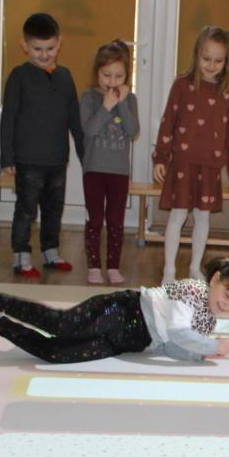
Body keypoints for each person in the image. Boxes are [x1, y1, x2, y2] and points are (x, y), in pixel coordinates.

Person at [0, 257, 229, 364]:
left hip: (128, 342)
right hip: (122, 311)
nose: (227, 305)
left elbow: (172, 346)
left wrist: (200, 355)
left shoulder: (207, 321)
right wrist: (212, 346)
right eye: (227, 295)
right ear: (214, 280)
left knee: (56, 353)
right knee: (60, 323)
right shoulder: (193, 290)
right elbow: (176, 330)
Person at [152, 26, 229, 285]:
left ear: (227, 61)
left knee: (203, 217)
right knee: (177, 215)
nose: (211, 66)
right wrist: (160, 158)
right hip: (182, 163)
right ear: (197, 55)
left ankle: (195, 267)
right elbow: (168, 122)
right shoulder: (182, 85)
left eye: (218, 60)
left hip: (210, 166)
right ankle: (169, 270)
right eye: (206, 59)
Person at [0, 12, 85, 278]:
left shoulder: (65, 77)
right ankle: (21, 255)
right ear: (24, 45)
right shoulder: (18, 77)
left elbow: (74, 119)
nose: (44, 54)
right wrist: (7, 157)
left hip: (57, 159)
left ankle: (51, 251)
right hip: (27, 160)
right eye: (37, 49)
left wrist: (85, 155)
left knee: (54, 209)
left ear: (59, 43)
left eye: (50, 48)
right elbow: (8, 119)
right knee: (26, 209)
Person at [80, 39, 139, 286]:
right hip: (94, 171)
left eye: (119, 76)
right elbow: (89, 130)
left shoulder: (130, 99)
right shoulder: (89, 97)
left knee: (115, 221)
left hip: (119, 173)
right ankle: (94, 266)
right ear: (97, 73)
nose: (112, 82)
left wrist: (121, 104)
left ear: (127, 76)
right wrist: (106, 107)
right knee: (94, 219)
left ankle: (113, 266)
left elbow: (133, 130)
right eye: (107, 75)